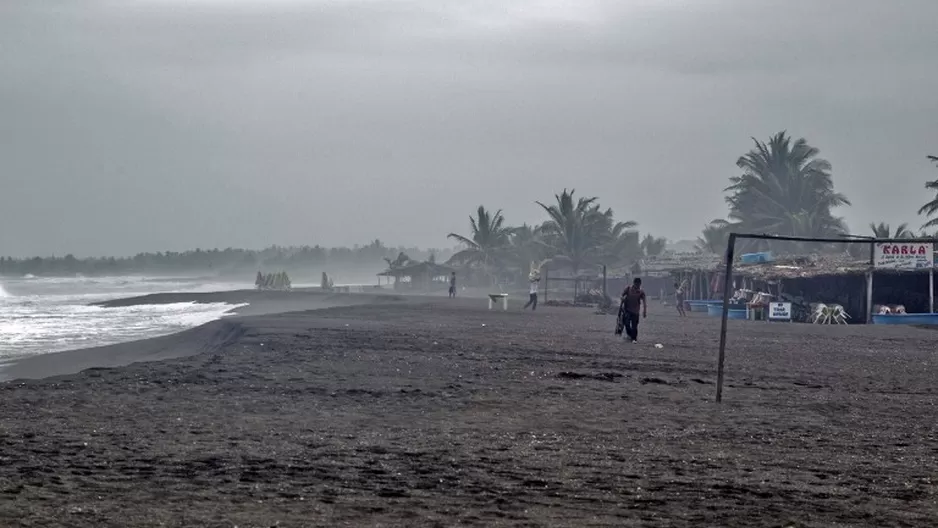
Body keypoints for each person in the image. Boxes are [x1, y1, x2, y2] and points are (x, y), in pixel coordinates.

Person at [617, 277, 647, 343]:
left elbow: (644, 302)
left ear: (640, 284)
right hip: (627, 310)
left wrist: (644, 311)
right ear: (634, 283)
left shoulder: (641, 292)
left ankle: (634, 338)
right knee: (626, 324)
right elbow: (621, 295)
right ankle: (630, 335)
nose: (638, 286)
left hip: (636, 312)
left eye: (639, 285)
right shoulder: (628, 289)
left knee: (634, 326)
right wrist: (622, 298)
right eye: (637, 284)